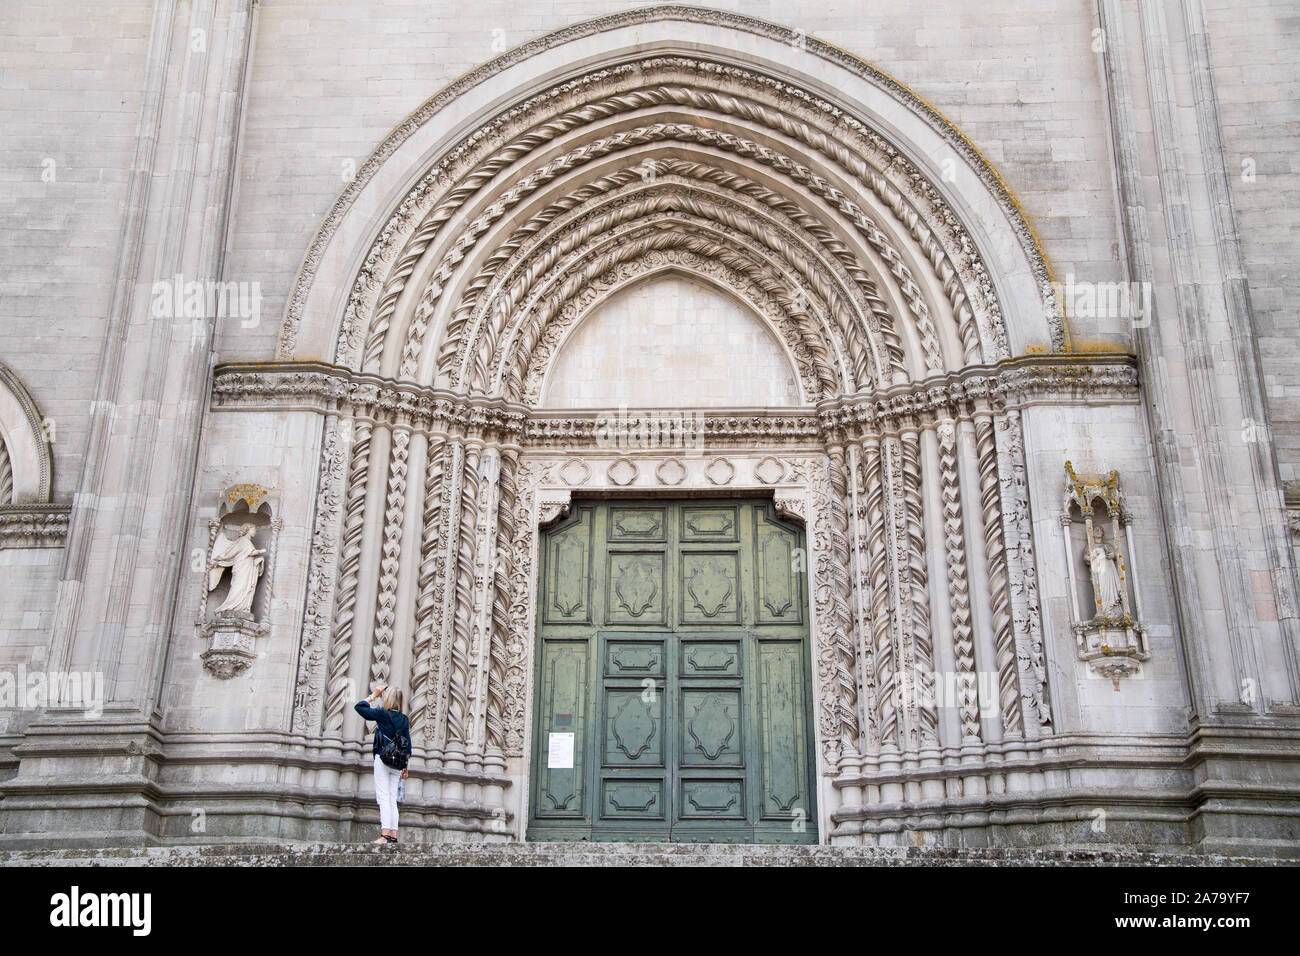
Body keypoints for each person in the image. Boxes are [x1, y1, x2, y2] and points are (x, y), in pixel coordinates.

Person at [354, 684, 410, 845]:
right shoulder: (404, 719)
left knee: (383, 797)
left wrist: (374, 695)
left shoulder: (382, 714)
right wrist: (405, 765)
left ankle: (384, 835)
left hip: (383, 758)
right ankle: (393, 834)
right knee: (392, 798)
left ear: (388, 699)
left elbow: (359, 707)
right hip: (398, 763)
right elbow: (407, 743)